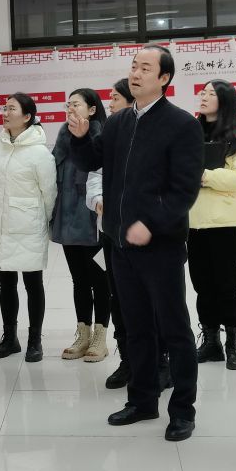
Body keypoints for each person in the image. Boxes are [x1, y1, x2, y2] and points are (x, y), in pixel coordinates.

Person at [69, 45, 203, 442]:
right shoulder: (118, 122)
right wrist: (80, 138)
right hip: (120, 243)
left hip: (160, 245)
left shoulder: (182, 124)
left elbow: (184, 191)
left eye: (146, 68)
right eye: (133, 66)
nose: (136, 73)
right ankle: (142, 400)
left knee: (174, 330)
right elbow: (91, 161)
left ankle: (183, 410)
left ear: (164, 78)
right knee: (137, 326)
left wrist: (152, 224)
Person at [0, 93, 57, 363]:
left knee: (33, 283)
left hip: (28, 226)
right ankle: (9, 338)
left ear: (27, 117)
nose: (5, 113)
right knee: (6, 282)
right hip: (1, 226)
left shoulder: (39, 152)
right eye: (4, 108)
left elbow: (49, 192)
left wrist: (43, 222)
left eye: (11, 109)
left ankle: (35, 341)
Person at [189, 80, 236, 370]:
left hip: (227, 224)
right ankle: (211, 342)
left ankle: (232, 343)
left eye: (211, 93)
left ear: (225, 101)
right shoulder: (190, 132)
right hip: (194, 222)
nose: (203, 97)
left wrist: (203, 176)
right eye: (202, 92)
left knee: (228, 286)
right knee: (202, 285)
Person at [53, 89, 110, 362]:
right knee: (79, 280)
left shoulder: (102, 138)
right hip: (67, 220)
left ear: (92, 109)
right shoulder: (63, 136)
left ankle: (101, 337)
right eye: (68, 105)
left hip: (93, 221)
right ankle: (83, 334)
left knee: (100, 281)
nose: (70, 109)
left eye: (76, 104)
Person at [86, 78, 137, 388]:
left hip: (141, 232)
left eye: (116, 98)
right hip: (110, 230)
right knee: (117, 297)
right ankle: (127, 361)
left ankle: (158, 362)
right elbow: (94, 177)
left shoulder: (150, 133)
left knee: (145, 301)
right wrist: (98, 199)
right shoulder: (109, 134)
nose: (110, 103)